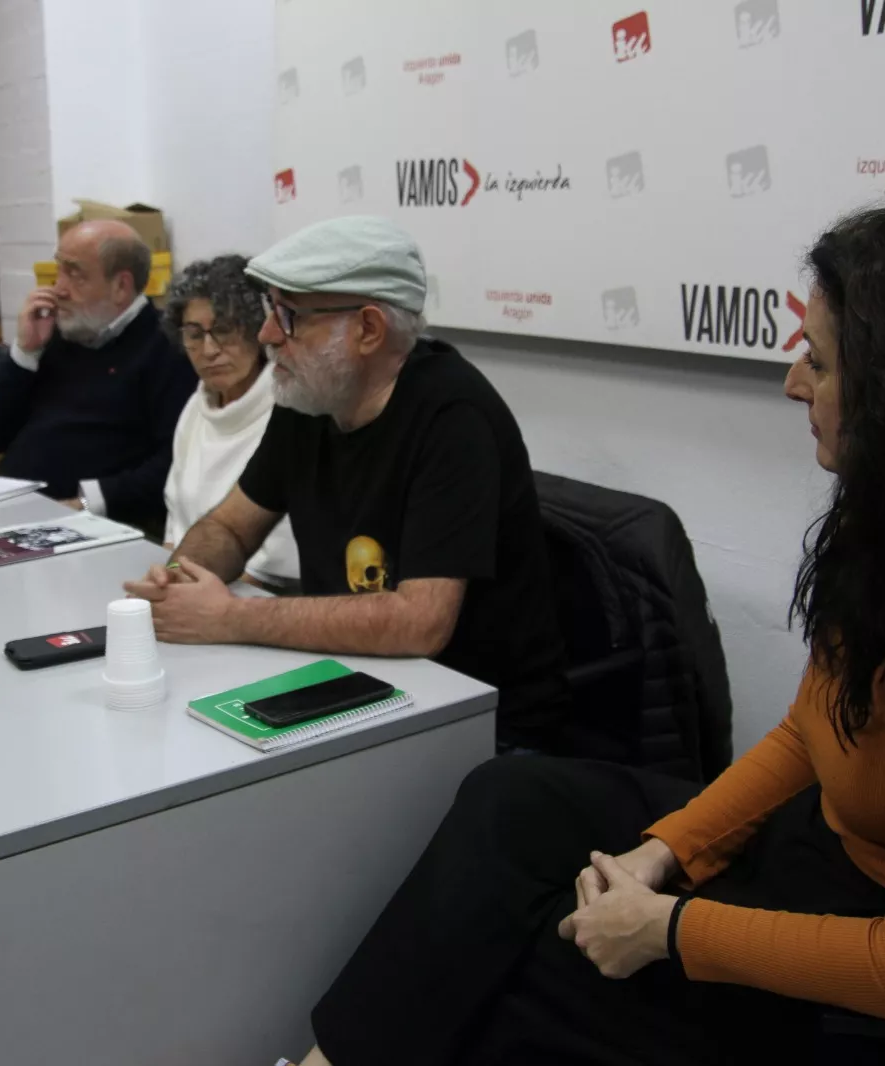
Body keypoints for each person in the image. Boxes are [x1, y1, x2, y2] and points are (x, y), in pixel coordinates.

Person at [281, 204, 885, 1065]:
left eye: (820, 363)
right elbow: (807, 733)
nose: (794, 384)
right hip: (824, 851)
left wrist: (672, 930)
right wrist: (663, 852)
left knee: (525, 965)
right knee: (510, 802)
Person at [125, 216, 570, 753]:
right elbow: (231, 525)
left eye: (288, 315)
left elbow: (419, 622)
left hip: (475, 721)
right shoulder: (311, 396)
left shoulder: (454, 416)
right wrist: (182, 580)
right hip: (354, 682)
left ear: (368, 330)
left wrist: (230, 616)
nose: (268, 335)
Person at [0, 219, 196, 527]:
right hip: (15, 511)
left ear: (121, 287)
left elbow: (174, 464)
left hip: (94, 523)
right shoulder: (58, 334)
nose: (57, 288)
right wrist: (24, 353)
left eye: (74, 275)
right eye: (58, 270)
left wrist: (87, 502)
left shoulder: (167, 348)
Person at [161, 254, 299, 587]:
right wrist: (167, 582)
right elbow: (174, 529)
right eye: (194, 334)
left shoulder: (290, 411)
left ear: (257, 331)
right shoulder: (197, 407)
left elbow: (275, 568)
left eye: (224, 330)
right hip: (195, 586)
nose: (209, 350)